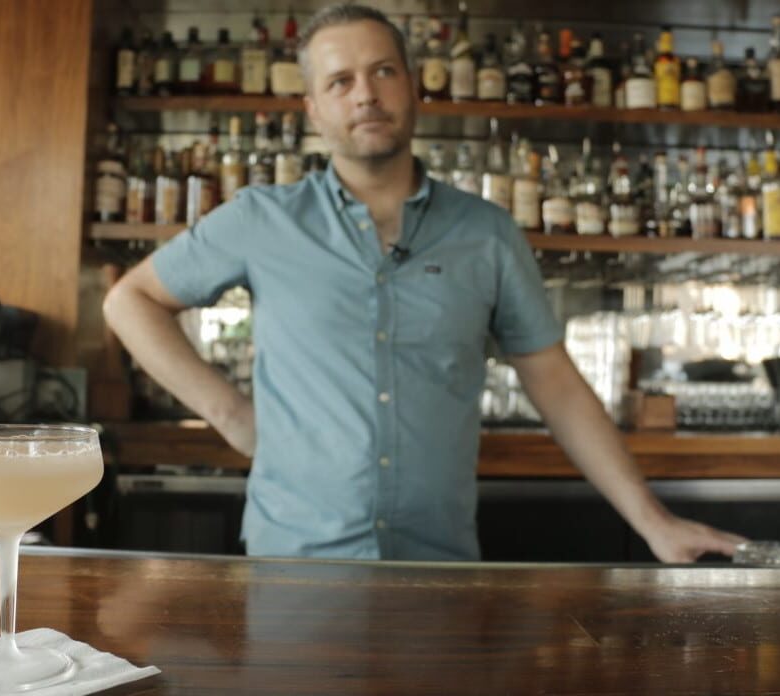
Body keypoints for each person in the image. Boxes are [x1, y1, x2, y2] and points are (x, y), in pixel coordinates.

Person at [103, 3, 745, 563]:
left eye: (383, 71)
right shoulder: (260, 220)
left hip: (440, 565)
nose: (366, 94)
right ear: (314, 109)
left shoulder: (488, 234)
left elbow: (556, 384)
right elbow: (129, 300)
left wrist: (654, 523)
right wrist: (230, 412)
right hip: (294, 566)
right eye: (341, 80)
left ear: (413, 86)